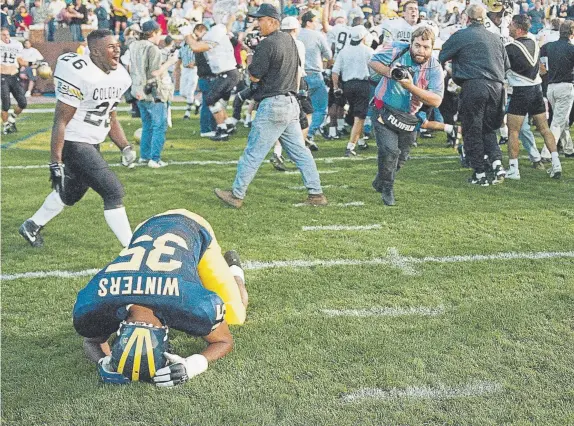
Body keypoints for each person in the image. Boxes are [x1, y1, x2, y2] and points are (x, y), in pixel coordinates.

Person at [73, 209, 248, 386]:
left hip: (192, 226)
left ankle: (235, 271)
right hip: (146, 227)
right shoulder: (102, 298)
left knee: (235, 315)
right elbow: (93, 341)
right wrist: (104, 361)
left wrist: (194, 365)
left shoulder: (190, 302)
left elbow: (224, 340)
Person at [19, 29, 135, 249]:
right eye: (110, 46)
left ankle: (31, 225)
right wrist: (55, 161)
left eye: (117, 44)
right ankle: (131, 248)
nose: (117, 49)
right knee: (113, 191)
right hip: (75, 142)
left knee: (71, 194)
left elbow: (109, 114)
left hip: (92, 141)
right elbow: (60, 121)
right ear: (95, 52)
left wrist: (125, 145)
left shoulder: (120, 75)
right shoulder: (80, 74)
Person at [214, 4, 327, 208]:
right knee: (301, 152)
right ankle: (316, 193)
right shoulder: (290, 41)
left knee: (254, 151)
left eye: (260, 20)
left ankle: (236, 195)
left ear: (273, 21)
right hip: (291, 101)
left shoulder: (268, 43)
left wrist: (250, 57)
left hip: (274, 103)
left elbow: (255, 75)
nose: (257, 24)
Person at [369, 26, 444, 206]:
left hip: (408, 116)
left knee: (401, 157)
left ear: (432, 48)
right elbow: (373, 61)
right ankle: (387, 188)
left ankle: (381, 180)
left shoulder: (435, 67)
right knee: (389, 150)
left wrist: (409, 86)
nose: (420, 50)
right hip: (383, 108)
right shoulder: (397, 48)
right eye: (417, 45)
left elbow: (436, 101)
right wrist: (391, 74)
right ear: (410, 43)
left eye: (426, 47)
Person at [439, 4, 509, 187]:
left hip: (474, 85)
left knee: (472, 129)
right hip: (497, 86)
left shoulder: (461, 35)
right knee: (488, 128)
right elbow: (506, 65)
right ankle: (496, 162)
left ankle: (479, 172)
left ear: (467, 18)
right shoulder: (495, 38)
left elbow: (441, 56)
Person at [504, 14, 561, 180]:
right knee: (544, 128)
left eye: (511, 26)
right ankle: (556, 163)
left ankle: (514, 169)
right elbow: (542, 70)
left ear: (519, 29)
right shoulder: (536, 43)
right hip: (536, 89)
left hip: (521, 91)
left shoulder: (510, 48)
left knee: (513, 131)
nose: (509, 28)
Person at [182, 14, 241, 141]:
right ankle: (228, 125)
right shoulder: (218, 32)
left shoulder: (215, 34)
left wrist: (186, 33)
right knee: (219, 103)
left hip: (228, 73)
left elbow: (196, 47)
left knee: (210, 99)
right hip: (228, 73)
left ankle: (222, 129)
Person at [129, 20, 169, 168]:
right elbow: (154, 73)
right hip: (152, 92)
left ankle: (144, 156)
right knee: (159, 126)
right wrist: (169, 62)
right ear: (154, 32)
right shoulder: (153, 49)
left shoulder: (134, 46)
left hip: (138, 91)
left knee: (147, 126)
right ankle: (155, 158)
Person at [332, 25, 373, 156]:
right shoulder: (368, 51)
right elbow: (374, 69)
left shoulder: (344, 51)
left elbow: (335, 71)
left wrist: (335, 87)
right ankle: (351, 146)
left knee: (356, 114)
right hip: (362, 84)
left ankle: (361, 141)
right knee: (359, 117)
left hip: (347, 85)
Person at [539, 20, 574, 160]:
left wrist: (544, 71)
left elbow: (539, 58)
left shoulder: (549, 46)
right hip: (566, 87)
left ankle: (569, 149)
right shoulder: (572, 49)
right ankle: (547, 153)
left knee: (562, 120)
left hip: (550, 87)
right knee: (558, 123)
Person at [298, 11, 332, 144]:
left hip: (298, 76)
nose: (317, 23)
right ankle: (308, 134)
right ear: (308, 22)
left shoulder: (296, 34)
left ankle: (299, 135)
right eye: (315, 21)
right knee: (320, 109)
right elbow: (329, 55)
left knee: (300, 110)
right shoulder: (317, 35)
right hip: (314, 74)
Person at [0, 27, 27, 135]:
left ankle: (12, 120)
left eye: (7, 34)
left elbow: (20, 60)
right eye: (3, 35)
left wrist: (33, 64)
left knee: (23, 102)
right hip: (2, 77)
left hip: (14, 76)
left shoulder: (16, 45)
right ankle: (5, 126)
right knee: (6, 104)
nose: (6, 37)